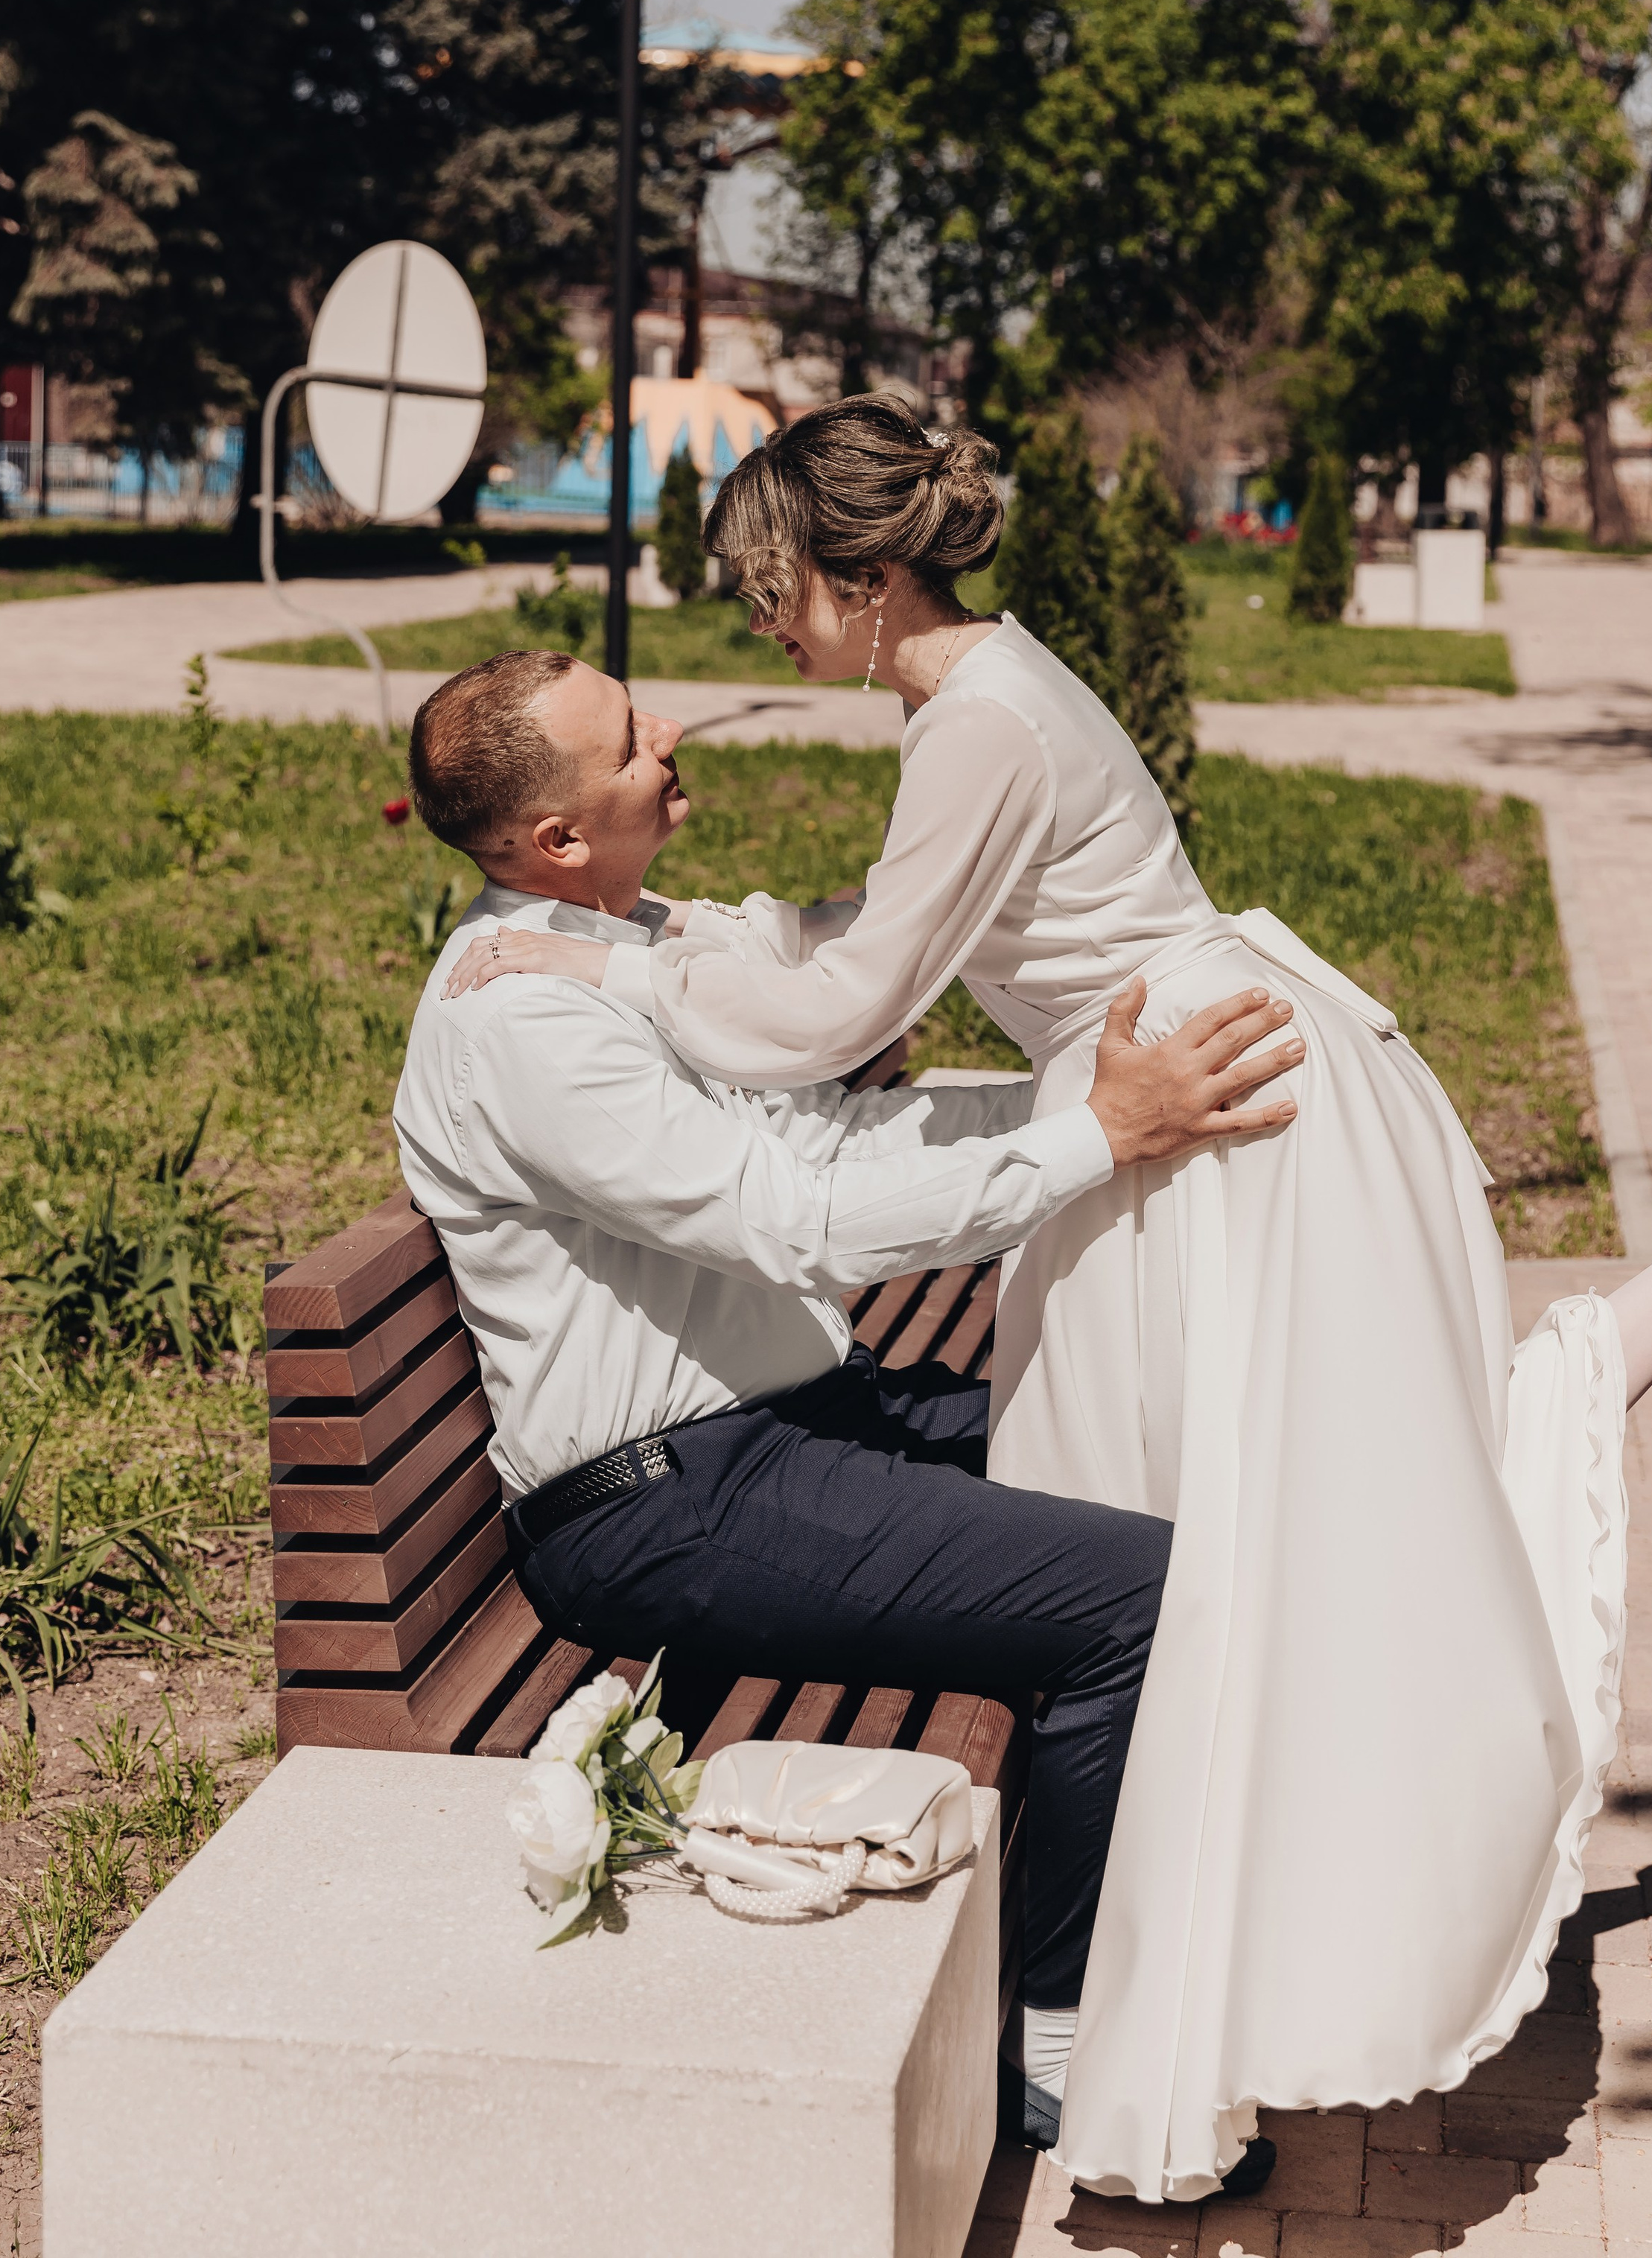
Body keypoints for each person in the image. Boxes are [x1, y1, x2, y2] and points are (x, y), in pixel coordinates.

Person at [444, 395, 1652, 2208]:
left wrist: (614, 962)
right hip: (1194, 1093)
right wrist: (661, 941)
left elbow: (836, 1017)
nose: (753, 625)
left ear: (854, 578)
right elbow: (856, 948)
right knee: (1282, 1521)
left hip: (1198, 1123)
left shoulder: (972, 725)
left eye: (767, 586)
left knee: (1249, 1544)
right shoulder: (978, 693)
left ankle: (1166, 2001)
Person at [391, 641, 1303, 2195]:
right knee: (1139, 1598)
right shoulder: (522, 1026)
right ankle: (1063, 2042)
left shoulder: (633, 943)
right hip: (662, 1506)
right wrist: (1095, 1136)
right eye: (631, 737)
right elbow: (791, 1219)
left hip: (789, 1433)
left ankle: (1216, 1927)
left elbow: (830, 1132)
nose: (671, 729)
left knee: (1155, 1448)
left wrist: (1093, 1107)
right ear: (556, 838)